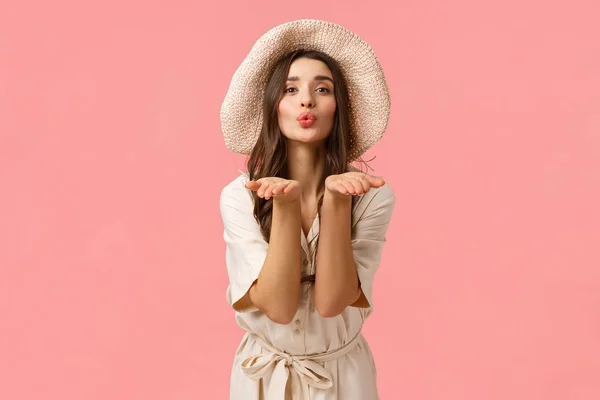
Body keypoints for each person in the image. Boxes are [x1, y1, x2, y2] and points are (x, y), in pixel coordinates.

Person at [219, 19, 396, 400]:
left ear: (339, 106)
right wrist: (284, 207)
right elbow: (279, 309)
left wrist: (336, 202)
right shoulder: (240, 196)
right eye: (290, 89)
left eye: (322, 89)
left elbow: (332, 302)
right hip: (262, 379)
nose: (307, 101)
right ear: (273, 105)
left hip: (344, 380)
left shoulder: (372, 197)